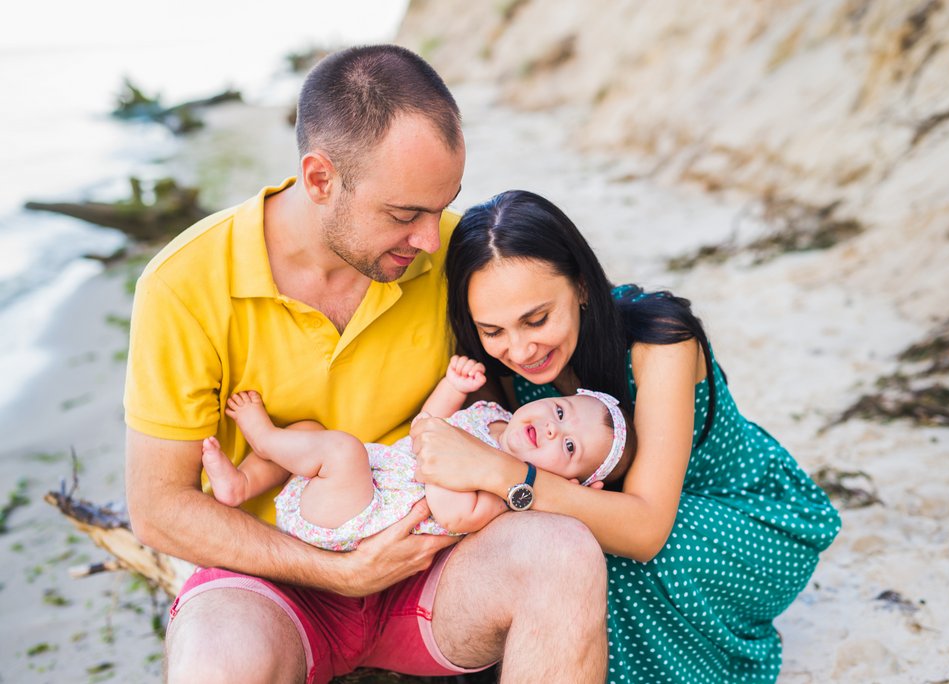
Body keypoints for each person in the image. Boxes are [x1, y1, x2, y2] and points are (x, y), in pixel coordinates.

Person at [123, 47, 608, 684]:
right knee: (217, 664)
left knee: (566, 552)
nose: (432, 241)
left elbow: (556, 358)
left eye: (442, 207)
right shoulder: (183, 285)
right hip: (270, 581)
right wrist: (336, 572)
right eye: (405, 214)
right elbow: (158, 506)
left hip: (435, 570)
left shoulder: (451, 256)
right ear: (320, 178)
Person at [411, 189, 843, 683]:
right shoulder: (501, 360)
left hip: (742, 516)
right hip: (612, 507)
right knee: (547, 549)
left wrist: (505, 473)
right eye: (493, 330)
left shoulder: (659, 340)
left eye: (537, 319)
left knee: (600, 555)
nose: (519, 349)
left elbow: (644, 531)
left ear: (581, 287)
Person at [201, 355, 635, 548]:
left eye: (570, 446)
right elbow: (425, 426)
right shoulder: (492, 415)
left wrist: (456, 465)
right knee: (312, 433)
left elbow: (452, 516)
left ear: (571, 482)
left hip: (360, 518)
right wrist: (453, 387)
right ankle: (244, 483)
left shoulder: (506, 500)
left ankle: (262, 436)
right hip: (362, 479)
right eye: (559, 412)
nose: (552, 429)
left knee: (341, 450)